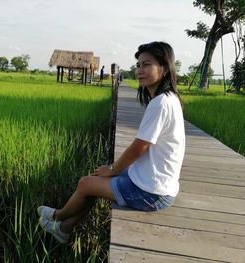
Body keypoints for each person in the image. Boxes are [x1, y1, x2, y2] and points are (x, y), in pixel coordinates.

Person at [37, 41, 185, 244]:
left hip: (152, 193)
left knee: (86, 183)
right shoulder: (168, 98)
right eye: (138, 65)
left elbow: (140, 147)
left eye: (147, 64)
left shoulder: (160, 103)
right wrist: (110, 170)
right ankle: (64, 228)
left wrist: (114, 169)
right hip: (155, 182)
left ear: (165, 68)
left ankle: (58, 218)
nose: (140, 70)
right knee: (95, 178)